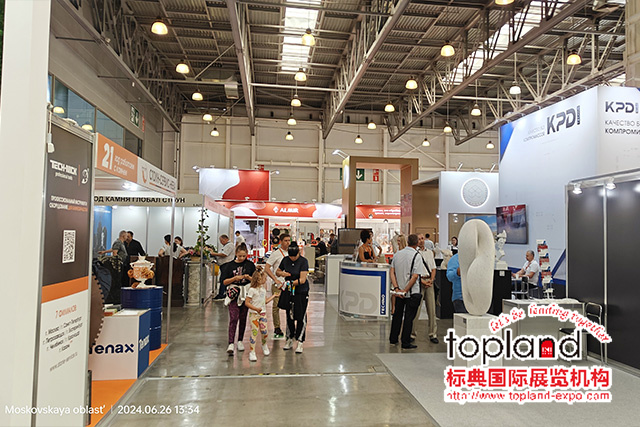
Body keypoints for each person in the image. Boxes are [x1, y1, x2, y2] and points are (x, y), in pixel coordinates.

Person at [389, 234, 427, 349]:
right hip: (411, 292)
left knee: (397, 315)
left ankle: (393, 338)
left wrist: (397, 288)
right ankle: (405, 342)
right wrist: (406, 290)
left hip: (399, 292)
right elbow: (415, 276)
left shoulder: (397, 254)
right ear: (416, 243)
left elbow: (392, 272)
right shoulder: (417, 256)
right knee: (409, 318)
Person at [219, 243, 256, 355]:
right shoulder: (229, 266)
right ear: (236, 254)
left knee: (243, 317)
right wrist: (234, 278)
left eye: (244, 256)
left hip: (246, 293)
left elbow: (256, 280)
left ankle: (240, 340)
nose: (242, 258)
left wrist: (249, 278)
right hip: (234, 293)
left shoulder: (250, 265)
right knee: (233, 317)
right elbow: (224, 282)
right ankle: (231, 342)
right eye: (240, 256)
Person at [276, 242, 309, 354]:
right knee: (289, 314)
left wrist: (290, 283)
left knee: (301, 315)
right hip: (289, 292)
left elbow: (302, 279)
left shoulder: (303, 262)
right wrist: (283, 274)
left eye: (294, 256)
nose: (292, 258)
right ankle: (289, 338)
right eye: (291, 256)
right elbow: (277, 271)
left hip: (301, 291)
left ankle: (300, 341)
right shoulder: (285, 260)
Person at [244, 267, 279, 362]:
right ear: (259, 279)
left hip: (262, 313)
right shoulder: (252, 290)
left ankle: (264, 344)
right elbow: (247, 302)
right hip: (254, 314)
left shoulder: (263, 289)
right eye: (265, 278)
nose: (266, 280)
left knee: (265, 331)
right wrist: (255, 309)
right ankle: (252, 351)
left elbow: (265, 301)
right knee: (254, 332)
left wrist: (273, 296)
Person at [412, 234, 438, 344]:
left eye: (422, 239)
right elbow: (413, 270)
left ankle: (433, 334)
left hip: (429, 282)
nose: (421, 241)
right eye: (419, 239)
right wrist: (422, 281)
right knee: (416, 310)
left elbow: (433, 268)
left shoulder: (430, 253)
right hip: (419, 282)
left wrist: (431, 280)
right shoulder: (414, 253)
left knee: (432, 310)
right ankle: (412, 334)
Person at [264, 233, 291, 338]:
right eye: (285, 241)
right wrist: (275, 279)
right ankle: (277, 327)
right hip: (278, 284)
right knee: (276, 306)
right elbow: (267, 268)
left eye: (289, 240)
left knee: (290, 305)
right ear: (281, 242)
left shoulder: (292, 253)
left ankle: (290, 326)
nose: (288, 243)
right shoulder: (276, 253)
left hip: (289, 283)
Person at [211, 235, 236, 300]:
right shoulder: (226, 246)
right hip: (224, 265)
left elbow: (224, 254)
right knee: (223, 279)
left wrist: (214, 254)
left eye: (221, 240)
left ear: (226, 239)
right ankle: (223, 293)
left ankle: (221, 294)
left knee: (223, 280)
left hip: (227, 265)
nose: (221, 242)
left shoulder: (229, 245)